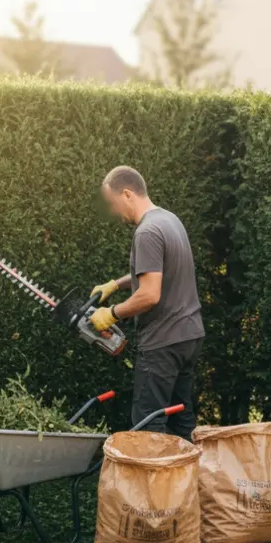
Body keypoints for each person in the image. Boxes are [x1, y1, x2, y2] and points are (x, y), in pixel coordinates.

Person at [89, 166, 205, 440]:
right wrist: (116, 285)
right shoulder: (169, 220)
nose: (115, 213)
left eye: (114, 204)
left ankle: (152, 483)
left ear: (127, 194)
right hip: (188, 336)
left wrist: (112, 314)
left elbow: (150, 294)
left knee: (147, 426)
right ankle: (188, 481)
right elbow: (157, 272)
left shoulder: (147, 232)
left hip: (162, 342)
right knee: (181, 419)